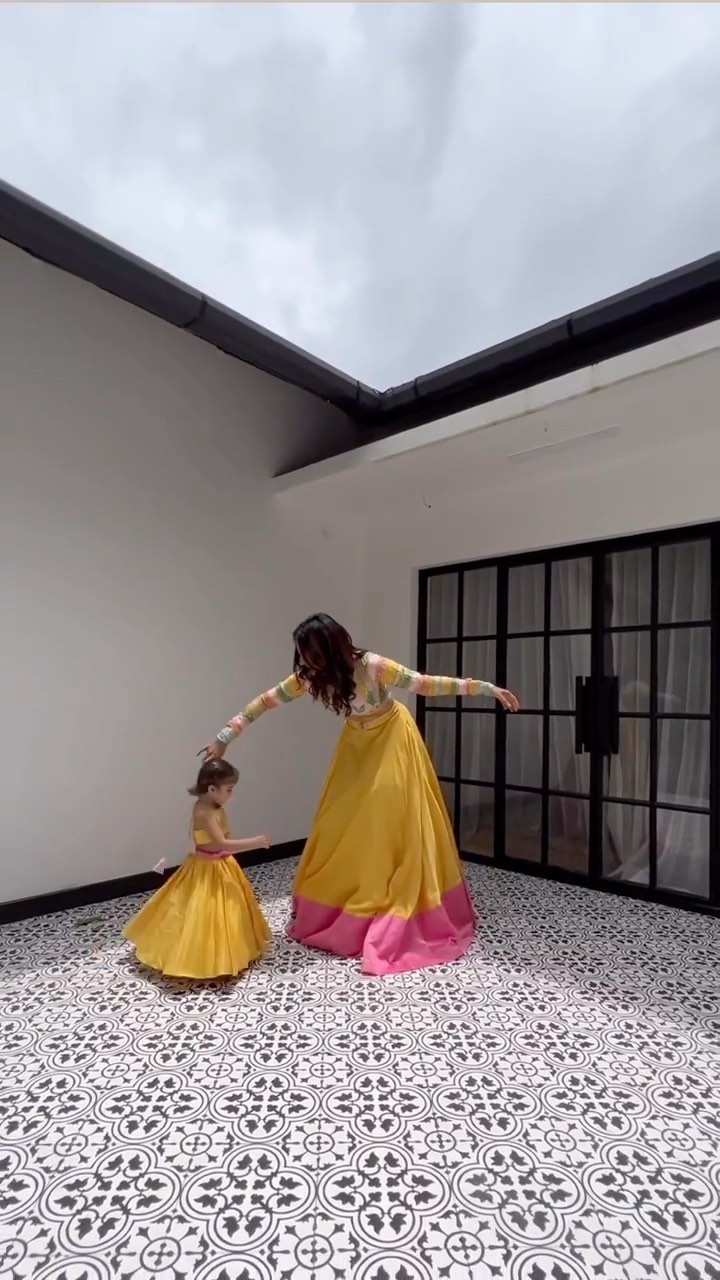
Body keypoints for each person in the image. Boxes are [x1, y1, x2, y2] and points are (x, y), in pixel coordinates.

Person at [200, 614, 519, 977]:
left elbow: (424, 684)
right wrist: (224, 738)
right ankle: (346, 901)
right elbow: (265, 701)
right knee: (338, 819)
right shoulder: (310, 676)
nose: (304, 660)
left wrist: (485, 688)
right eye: (302, 653)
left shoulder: (372, 666)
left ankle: (396, 899)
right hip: (356, 744)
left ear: (331, 646)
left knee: (388, 815)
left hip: (392, 737)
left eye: (310, 652)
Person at [123, 759, 271, 979]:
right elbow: (222, 843)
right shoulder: (204, 812)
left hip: (221, 865)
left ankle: (229, 951)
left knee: (227, 910)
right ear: (212, 789)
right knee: (203, 910)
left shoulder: (210, 805)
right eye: (229, 789)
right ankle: (203, 958)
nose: (231, 795)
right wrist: (256, 842)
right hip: (207, 868)